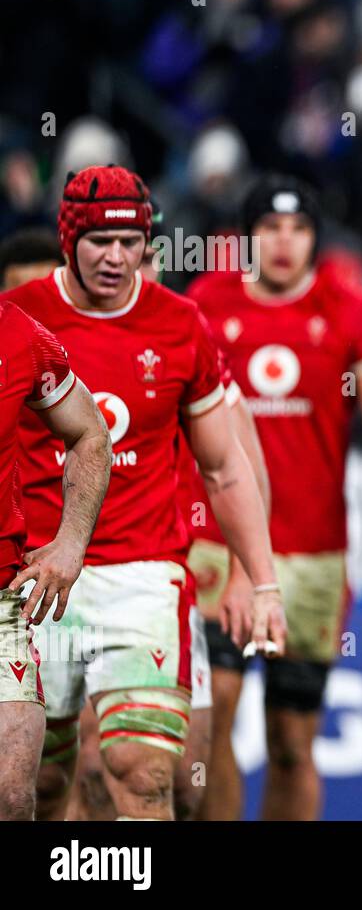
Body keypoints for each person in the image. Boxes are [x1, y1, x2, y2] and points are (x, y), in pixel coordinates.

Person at [9, 165, 283, 821]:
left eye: (131, 242)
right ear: (68, 239)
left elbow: (225, 466)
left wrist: (262, 579)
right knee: (35, 788)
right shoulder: (19, 320)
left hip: (143, 576)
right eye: (100, 241)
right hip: (34, 578)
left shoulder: (180, 324)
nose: (117, 257)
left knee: (146, 775)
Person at [188, 174, 362, 820]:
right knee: (213, 720)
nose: (285, 242)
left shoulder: (351, 310)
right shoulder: (204, 306)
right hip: (219, 548)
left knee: (292, 743)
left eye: (298, 229)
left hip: (314, 552)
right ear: (246, 238)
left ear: (315, 238)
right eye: (270, 228)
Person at [64, 216, 271, 820]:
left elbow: (246, 471)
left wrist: (243, 574)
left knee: (185, 779)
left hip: (162, 584)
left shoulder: (184, 347)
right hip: (80, 585)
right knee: (90, 769)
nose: (129, 270)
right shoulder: (64, 353)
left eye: (143, 256)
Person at [0, 296, 111, 820]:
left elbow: (89, 431)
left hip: (2, 601)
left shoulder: (17, 334)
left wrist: (71, 542)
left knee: (14, 795)